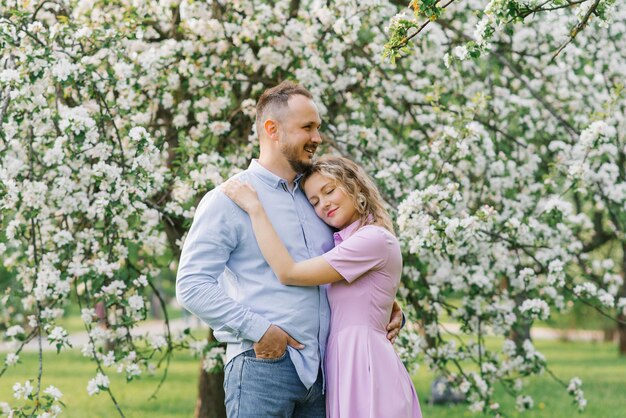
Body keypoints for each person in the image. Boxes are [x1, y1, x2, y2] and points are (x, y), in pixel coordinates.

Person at [176, 81, 403, 418]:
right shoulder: (231, 198)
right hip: (264, 366)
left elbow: (344, 264)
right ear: (273, 130)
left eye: (318, 128)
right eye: (307, 128)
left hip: (324, 377)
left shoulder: (320, 200)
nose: (317, 138)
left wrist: (384, 304)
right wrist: (262, 332)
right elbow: (192, 286)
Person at [223, 156, 422, 418]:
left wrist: (256, 209)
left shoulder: (372, 239)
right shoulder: (344, 243)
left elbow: (288, 272)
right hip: (342, 363)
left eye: (329, 191)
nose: (324, 204)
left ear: (355, 186)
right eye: (314, 201)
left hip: (364, 362)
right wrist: (391, 308)